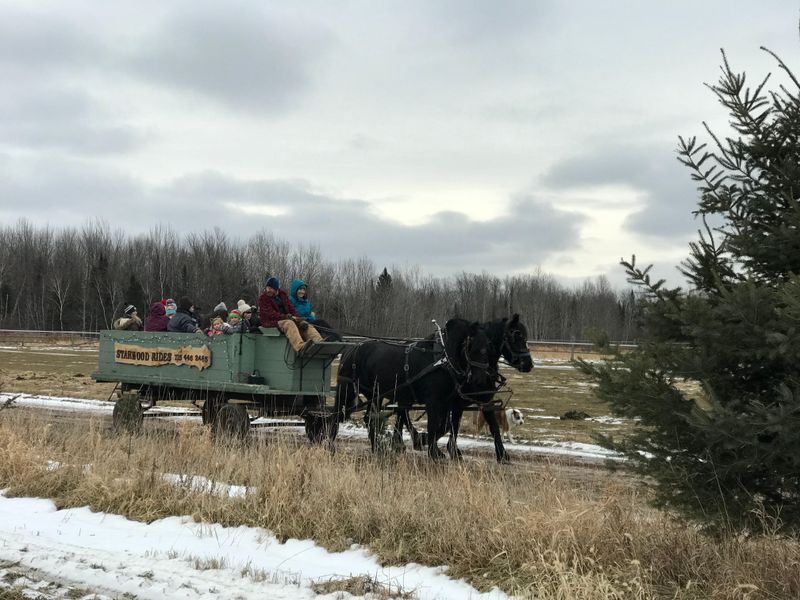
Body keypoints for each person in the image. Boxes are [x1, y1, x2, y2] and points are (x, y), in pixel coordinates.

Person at [258, 276, 322, 353]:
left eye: (271, 288)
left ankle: (319, 342)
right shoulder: (263, 298)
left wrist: (299, 319)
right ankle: (300, 347)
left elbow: (292, 309)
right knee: (289, 323)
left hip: (286, 319)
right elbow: (270, 314)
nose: (268, 290)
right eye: (267, 288)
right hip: (271, 322)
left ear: (276, 289)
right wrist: (285, 317)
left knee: (306, 324)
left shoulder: (283, 295)